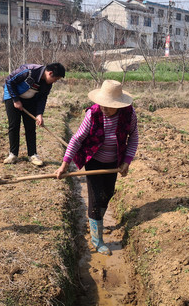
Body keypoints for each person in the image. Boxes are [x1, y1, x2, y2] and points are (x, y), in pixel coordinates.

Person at [55, 80, 138, 255]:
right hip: (94, 161)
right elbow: (77, 139)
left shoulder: (129, 115)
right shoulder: (92, 114)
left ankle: (98, 218)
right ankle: (97, 240)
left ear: (119, 105)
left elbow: (134, 139)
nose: (104, 108)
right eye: (102, 104)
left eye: (108, 105)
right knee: (95, 200)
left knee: (106, 195)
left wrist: (126, 162)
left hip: (114, 163)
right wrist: (64, 164)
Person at [3, 63, 66, 166]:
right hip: (12, 97)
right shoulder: (29, 71)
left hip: (30, 100)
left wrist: (39, 114)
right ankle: (13, 154)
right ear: (50, 73)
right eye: (56, 79)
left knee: (30, 127)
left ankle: (32, 155)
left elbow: (42, 98)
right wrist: (16, 100)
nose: (55, 81)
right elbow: (9, 81)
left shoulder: (47, 83)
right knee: (14, 126)